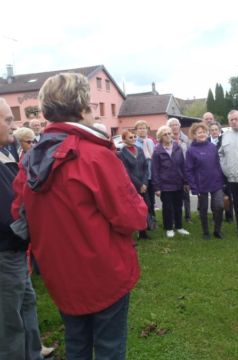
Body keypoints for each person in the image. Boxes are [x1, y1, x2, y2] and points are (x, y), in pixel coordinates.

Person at [12, 73, 148, 359]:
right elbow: (133, 218)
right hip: (105, 272)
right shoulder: (95, 155)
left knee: (77, 344)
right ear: (83, 107)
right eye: (91, 104)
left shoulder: (31, 158)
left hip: (60, 274)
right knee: (110, 348)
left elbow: (19, 214)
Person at [0, 98, 43, 360]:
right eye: (7, 120)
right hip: (5, 254)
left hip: (15, 251)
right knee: (9, 324)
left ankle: (34, 354)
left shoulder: (5, 153)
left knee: (27, 306)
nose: (13, 125)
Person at [185, 123, 224, 240]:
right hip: (201, 184)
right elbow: (189, 170)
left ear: (207, 133)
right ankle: (206, 232)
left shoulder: (212, 147)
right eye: (199, 132)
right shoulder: (191, 151)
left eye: (204, 132)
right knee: (203, 209)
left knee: (219, 206)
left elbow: (217, 164)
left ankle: (217, 230)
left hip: (216, 182)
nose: (202, 134)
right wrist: (193, 187)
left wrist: (222, 180)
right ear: (194, 135)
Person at [151, 125, 190, 238]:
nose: (168, 136)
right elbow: (155, 170)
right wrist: (157, 187)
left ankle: (179, 227)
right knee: (168, 207)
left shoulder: (177, 147)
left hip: (178, 182)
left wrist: (186, 182)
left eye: (169, 133)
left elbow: (183, 165)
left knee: (178, 206)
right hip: (165, 184)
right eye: (165, 134)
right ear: (160, 137)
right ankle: (168, 228)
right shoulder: (157, 151)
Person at [118, 130, 151, 239]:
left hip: (144, 185)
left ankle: (144, 231)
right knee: (134, 209)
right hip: (132, 186)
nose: (133, 139)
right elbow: (127, 172)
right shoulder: (122, 153)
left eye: (134, 137)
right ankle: (135, 230)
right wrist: (139, 184)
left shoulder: (140, 150)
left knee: (146, 206)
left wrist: (145, 183)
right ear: (124, 140)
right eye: (130, 137)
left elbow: (146, 167)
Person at [166, 117, 191, 223]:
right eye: (172, 125)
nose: (175, 127)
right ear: (169, 127)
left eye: (176, 124)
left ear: (179, 126)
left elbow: (190, 154)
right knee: (175, 196)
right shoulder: (166, 140)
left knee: (186, 194)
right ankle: (176, 216)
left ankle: (188, 217)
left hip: (185, 169)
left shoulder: (186, 139)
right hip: (172, 172)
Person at [134, 120, 156, 218]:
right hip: (142, 176)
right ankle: (145, 219)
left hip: (152, 174)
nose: (143, 130)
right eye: (140, 128)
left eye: (144, 128)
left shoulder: (151, 141)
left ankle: (152, 219)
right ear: (136, 131)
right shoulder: (134, 143)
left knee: (152, 198)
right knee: (144, 199)